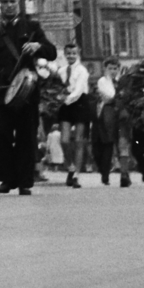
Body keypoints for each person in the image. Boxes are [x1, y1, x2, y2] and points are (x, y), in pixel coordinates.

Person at [0, 0, 56, 196]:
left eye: (13, 1)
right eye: (5, 2)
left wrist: (38, 47)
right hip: (1, 92)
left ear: (19, 3)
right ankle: (7, 180)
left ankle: (25, 181)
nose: (9, 6)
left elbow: (52, 52)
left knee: (27, 135)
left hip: (27, 90)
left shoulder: (32, 27)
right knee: (1, 135)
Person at [91, 58, 132, 187]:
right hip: (107, 117)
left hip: (122, 117)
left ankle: (124, 174)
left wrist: (118, 96)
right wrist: (118, 95)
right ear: (105, 69)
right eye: (110, 68)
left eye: (115, 68)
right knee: (108, 145)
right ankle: (105, 172)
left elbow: (125, 96)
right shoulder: (102, 81)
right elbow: (109, 96)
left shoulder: (123, 81)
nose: (113, 71)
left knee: (122, 143)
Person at [56, 41, 91, 188]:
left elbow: (78, 90)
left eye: (74, 53)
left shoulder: (82, 70)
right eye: (68, 53)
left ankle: (76, 174)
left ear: (78, 54)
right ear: (64, 54)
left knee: (78, 140)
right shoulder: (62, 71)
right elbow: (56, 85)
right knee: (64, 139)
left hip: (79, 102)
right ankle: (70, 166)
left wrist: (66, 99)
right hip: (66, 104)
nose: (71, 56)